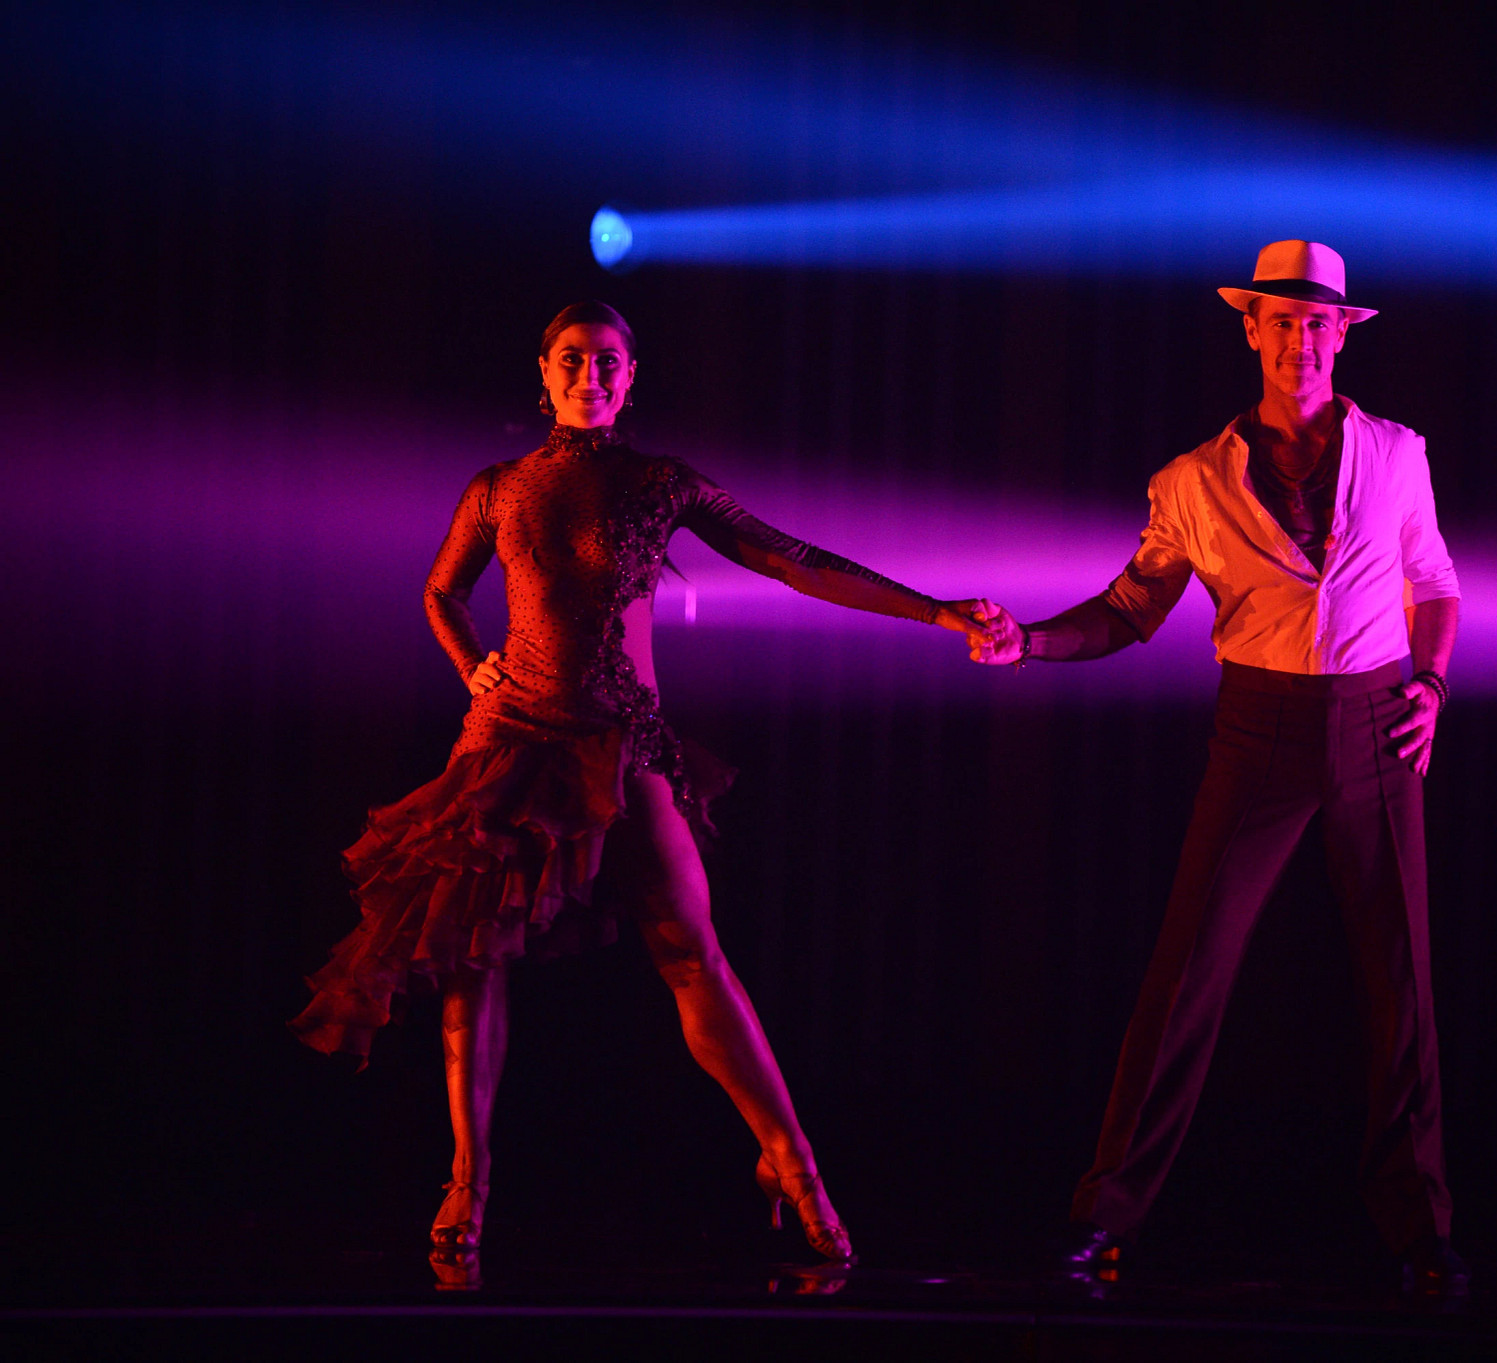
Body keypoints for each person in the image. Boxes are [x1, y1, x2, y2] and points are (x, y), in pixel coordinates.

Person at [292, 301, 997, 1263]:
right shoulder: (497, 488)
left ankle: (792, 1164)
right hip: (508, 742)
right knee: (474, 959)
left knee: (692, 953)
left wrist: (937, 610)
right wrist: (470, 663)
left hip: (622, 744)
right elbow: (439, 589)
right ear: (542, 371)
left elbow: (793, 560)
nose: (591, 375)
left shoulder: (660, 482)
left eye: (609, 362)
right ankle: (468, 1180)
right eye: (573, 359)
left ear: (632, 377)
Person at [973, 242, 1467, 1293]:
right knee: (1185, 973)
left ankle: (1421, 1232)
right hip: (1256, 732)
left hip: (1375, 723)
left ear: (1340, 334)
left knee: (1400, 980)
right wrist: (1030, 642)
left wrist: (1428, 683)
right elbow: (1127, 609)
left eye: (1316, 323)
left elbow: (1433, 582)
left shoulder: (1397, 453)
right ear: (1250, 330)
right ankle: (1105, 1218)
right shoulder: (1191, 480)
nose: (1299, 340)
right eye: (1279, 322)